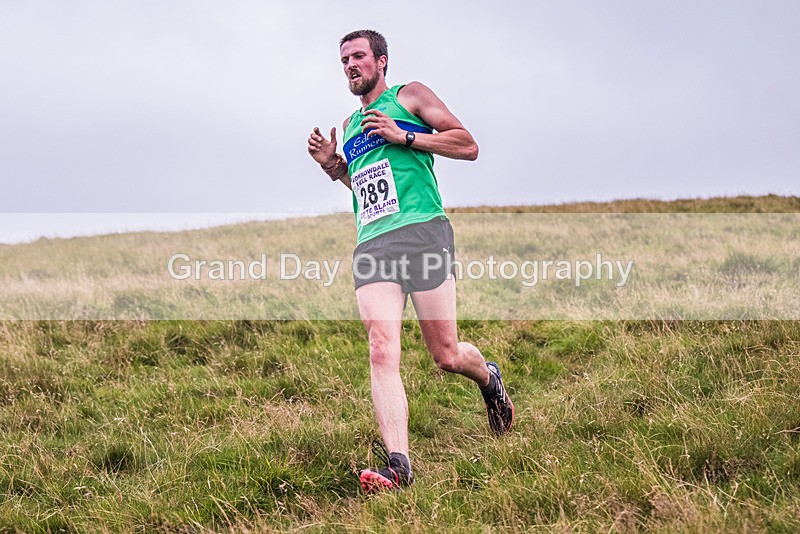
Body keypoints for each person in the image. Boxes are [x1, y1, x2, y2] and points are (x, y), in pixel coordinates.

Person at [307, 29, 514, 493]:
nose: (350, 66)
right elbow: (366, 188)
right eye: (344, 60)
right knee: (381, 348)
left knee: (446, 355)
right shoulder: (353, 123)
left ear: (381, 61)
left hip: (423, 231)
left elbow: (466, 145)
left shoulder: (410, 96)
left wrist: (405, 136)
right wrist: (334, 167)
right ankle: (398, 467)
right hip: (374, 243)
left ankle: (489, 378)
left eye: (358, 56)